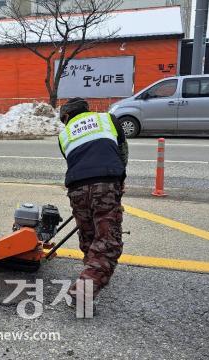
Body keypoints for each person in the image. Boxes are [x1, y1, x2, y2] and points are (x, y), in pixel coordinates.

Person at [57, 97, 129, 305]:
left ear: (68, 116)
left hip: (76, 187)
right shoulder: (108, 120)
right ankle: (85, 289)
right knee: (108, 243)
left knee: (88, 234)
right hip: (106, 182)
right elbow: (122, 152)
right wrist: (120, 177)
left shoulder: (64, 134)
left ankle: (92, 272)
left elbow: (73, 160)